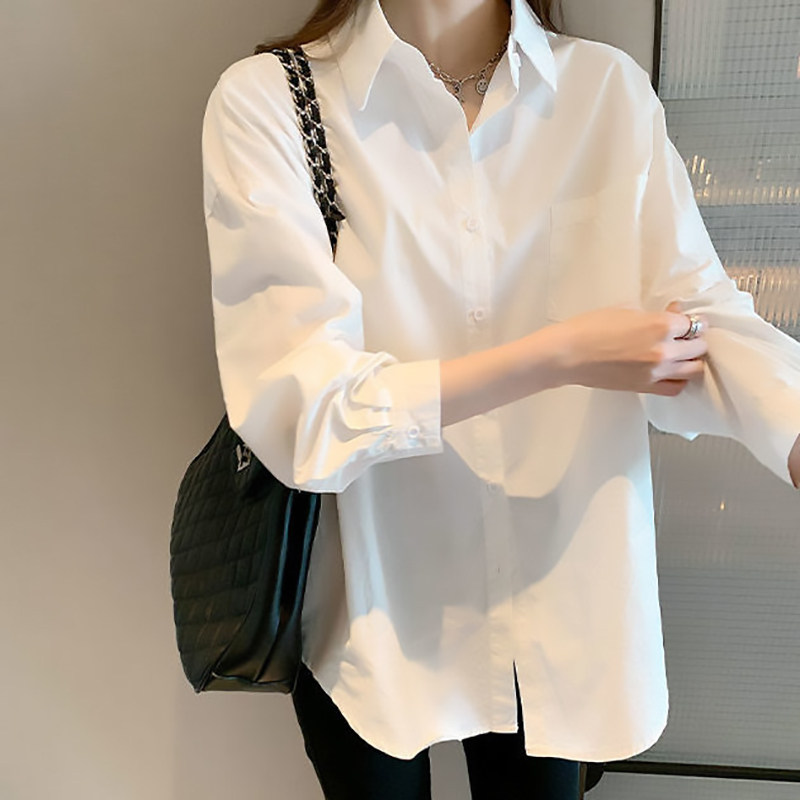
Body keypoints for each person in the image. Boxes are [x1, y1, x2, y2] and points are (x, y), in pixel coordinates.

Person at [200, 0, 800, 797]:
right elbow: (299, 409)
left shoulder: (603, 92)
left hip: (556, 590)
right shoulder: (271, 101)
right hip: (369, 598)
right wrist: (562, 353)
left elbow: (698, 314)